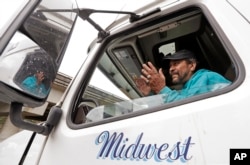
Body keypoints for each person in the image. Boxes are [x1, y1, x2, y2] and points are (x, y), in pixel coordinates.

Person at [136, 49, 231, 102]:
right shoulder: (186, 88)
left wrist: (161, 88)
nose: (171, 69)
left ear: (192, 65)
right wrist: (150, 94)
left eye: (176, 63)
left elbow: (189, 107)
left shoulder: (206, 77)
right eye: (170, 66)